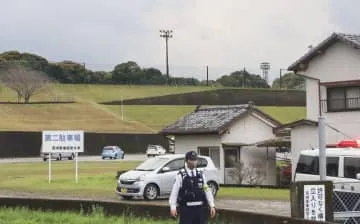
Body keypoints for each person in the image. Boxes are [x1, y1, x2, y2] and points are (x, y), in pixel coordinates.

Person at [169, 150, 216, 224]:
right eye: (191, 160)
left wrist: (212, 205)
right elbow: (174, 192)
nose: (194, 162)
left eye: (195, 160)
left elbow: (207, 190)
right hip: (187, 209)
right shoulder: (181, 175)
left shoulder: (200, 175)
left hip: (200, 209)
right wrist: (173, 207)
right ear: (187, 161)